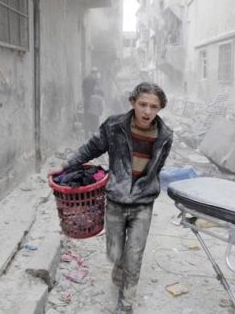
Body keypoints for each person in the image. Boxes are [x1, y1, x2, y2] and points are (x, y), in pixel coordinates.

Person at [50, 82, 173, 314]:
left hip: (143, 203)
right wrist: (65, 165)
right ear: (132, 103)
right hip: (116, 201)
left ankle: (126, 303)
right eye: (143, 104)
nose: (147, 111)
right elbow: (91, 148)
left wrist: (148, 187)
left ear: (160, 108)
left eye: (153, 106)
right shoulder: (115, 126)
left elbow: (157, 167)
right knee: (115, 252)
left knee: (134, 255)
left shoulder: (165, 136)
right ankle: (119, 268)